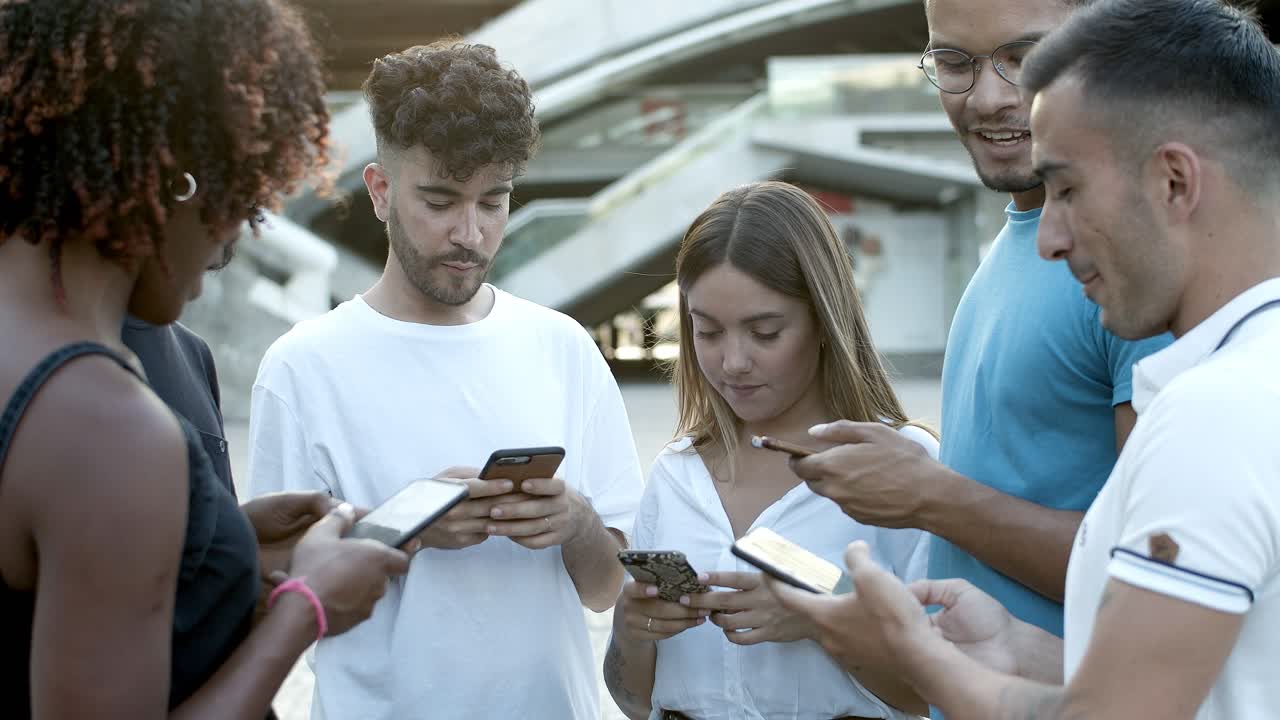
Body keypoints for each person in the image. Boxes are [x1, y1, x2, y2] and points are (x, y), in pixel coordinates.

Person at [773, 1, 1280, 717]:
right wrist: (1012, 648)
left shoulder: (1213, 414)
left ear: (1175, 182)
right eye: (954, 62)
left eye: (1069, 190)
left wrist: (909, 649)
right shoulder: (1240, 383)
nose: (1053, 238)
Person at [0, 1, 412, 718]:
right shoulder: (105, 426)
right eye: (244, 193)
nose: (234, 241)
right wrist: (305, 609)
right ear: (179, 178)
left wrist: (213, 543)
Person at [248, 39, 645, 720]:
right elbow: (272, 594)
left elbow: (609, 588)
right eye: (440, 200)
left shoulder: (562, 347)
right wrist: (407, 529)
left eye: (494, 202)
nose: (471, 233)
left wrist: (575, 522)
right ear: (379, 190)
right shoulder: (302, 366)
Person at [788, 0, 1171, 643]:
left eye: (1026, 59)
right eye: (953, 62)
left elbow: (1161, 574)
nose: (988, 97)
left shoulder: (1139, 270)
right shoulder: (1011, 246)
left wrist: (930, 495)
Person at [604, 181, 937, 720]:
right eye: (707, 331)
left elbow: (943, 693)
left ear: (825, 322)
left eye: (765, 332)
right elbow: (632, 700)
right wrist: (631, 630)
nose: (733, 361)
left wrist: (823, 617)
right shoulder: (676, 474)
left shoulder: (903, 463)